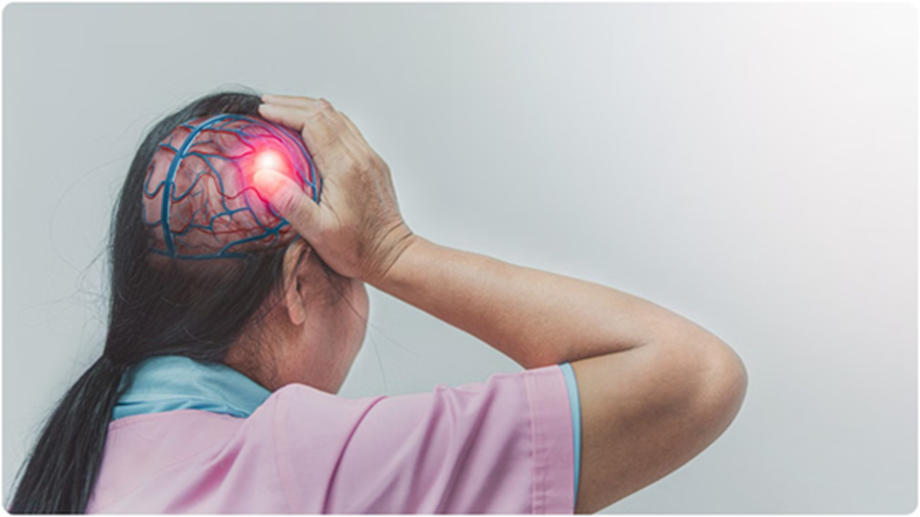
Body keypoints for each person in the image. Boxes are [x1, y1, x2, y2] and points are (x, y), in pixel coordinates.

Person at [8, 91, 747, 514]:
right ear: (300, 285)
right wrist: (391, 249)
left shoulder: (67, 471)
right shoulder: (313, 464)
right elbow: (690, 375)